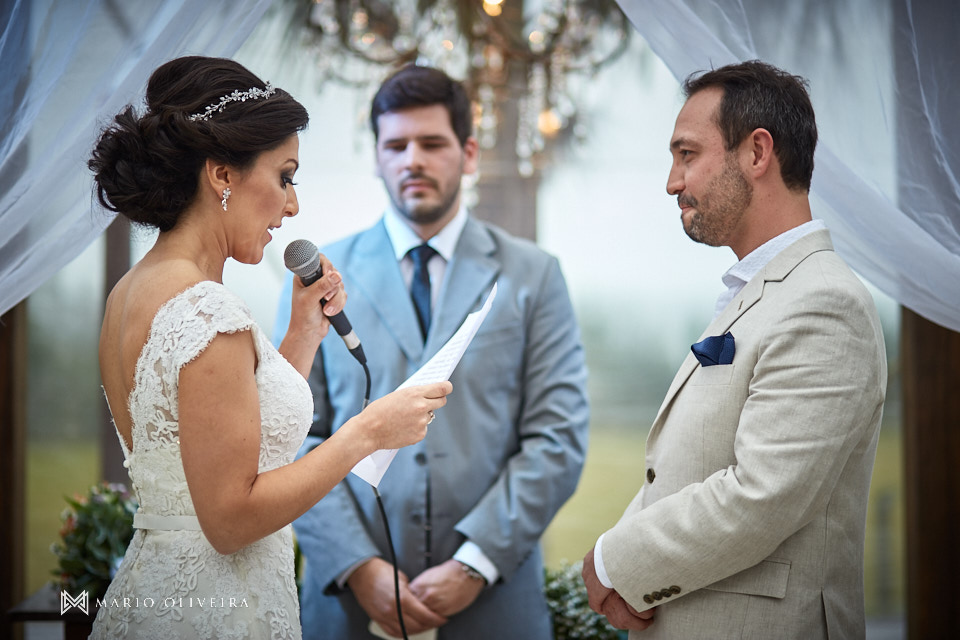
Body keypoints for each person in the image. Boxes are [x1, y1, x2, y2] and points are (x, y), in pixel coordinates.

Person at [88, 56, 451, 640]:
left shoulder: (132, 292)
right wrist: (366, 433)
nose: (292, 205)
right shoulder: (207, 311)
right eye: (285, 176)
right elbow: (231, 520)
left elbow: (225, 445)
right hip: (215, 608)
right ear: (222, 176)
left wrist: (304, 332)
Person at [273, 64, 589, 639]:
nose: (412, 160)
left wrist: (475, 563)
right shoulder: (317, 278)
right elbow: (292, 435)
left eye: (432, 143)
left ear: (468, 154)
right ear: (376, 157)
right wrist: (357, 566)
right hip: (347, 612)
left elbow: (557, 435)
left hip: (495, 609)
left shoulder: (534, 275)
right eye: (395, 146)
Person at [581, 60, 887, 639]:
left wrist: (612, 563)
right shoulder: (762, 291)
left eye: (687, 155)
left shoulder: (825, 303)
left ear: (757, 153)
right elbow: (681, 469)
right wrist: (620, 568)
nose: (672, 182)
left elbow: (761, 496)